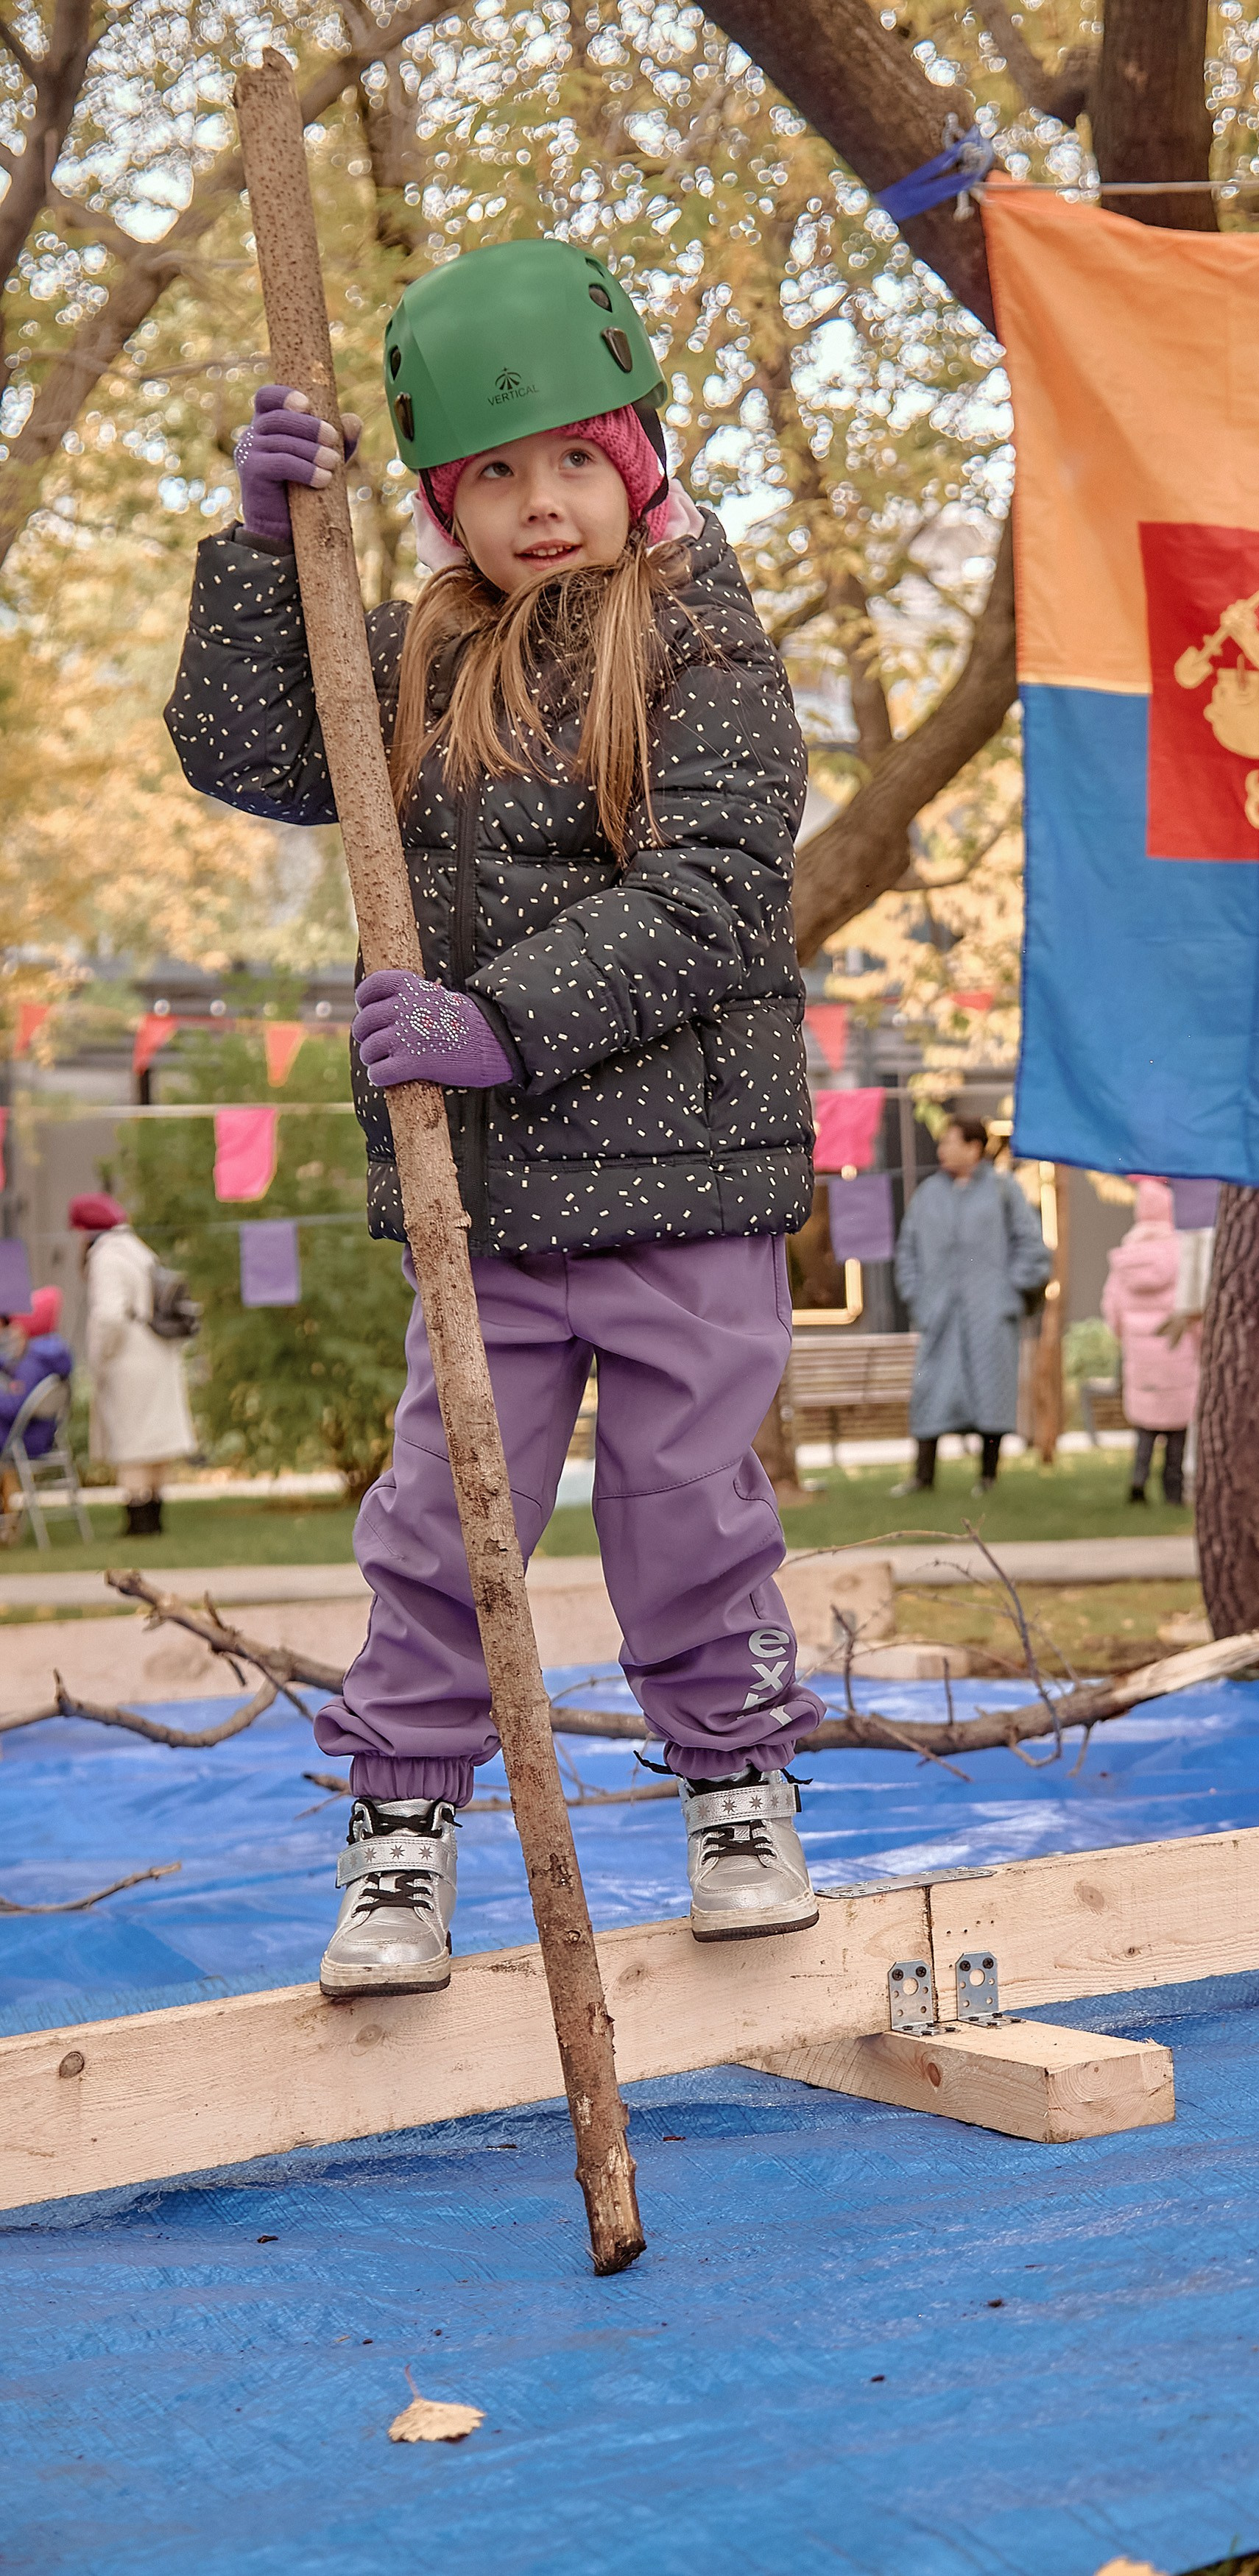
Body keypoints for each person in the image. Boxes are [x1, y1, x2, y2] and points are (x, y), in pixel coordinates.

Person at [166, 238, 823, 1992]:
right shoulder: (411, 659)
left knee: (686, 1503)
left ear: (637, 465)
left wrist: (495, 1022)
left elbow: (715, 895)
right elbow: (246, 748)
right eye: (496, 477)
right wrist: (259, 551)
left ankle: (737, 1794)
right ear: (452, 504)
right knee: (443, 1520)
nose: (542, 506)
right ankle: (402, 1830)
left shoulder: (710, 653)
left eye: (575, 465)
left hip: (682, 1182)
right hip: (498, 1202)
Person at [892, 1118, 1051, 1494]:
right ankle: (923, 1477)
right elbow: (907, 1251)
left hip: (990, 1314)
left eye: (950, 1142)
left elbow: (1031, 1245)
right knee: (931, 1390)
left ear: (974, 1148)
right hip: (940, 1314)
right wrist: (917, 1296)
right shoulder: (928, 1194)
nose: (942, 1150)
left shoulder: (1003, 1190)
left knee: (991, 1391)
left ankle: (988, 1477)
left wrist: (1008, 1291)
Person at [69, 1194, 197, 1538]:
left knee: (132, 1444)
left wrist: (100, 1357)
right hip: (157, 1351)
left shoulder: (106, 1257)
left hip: (129, 1360)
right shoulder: (138, 1249)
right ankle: (154, 1517)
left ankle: (138, 1520)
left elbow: (109, 1316)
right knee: (154, 1442)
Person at [1101, 1178, 1199, 1504]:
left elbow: (1111, 1306)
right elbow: (1190, 1300)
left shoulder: (1128, 1254)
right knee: (1176, 1426)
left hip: (1139, 1351)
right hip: (1177, 1349)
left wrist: (1125, 1335)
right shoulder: (1179, 1250)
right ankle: (1173, 1487)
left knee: (1145, 1424)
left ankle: (1138, 1479)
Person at [0, 1289, 77, 1537]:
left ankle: (6, 1520)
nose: (11, 1331)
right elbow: (16, 1371)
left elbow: (15, 1407)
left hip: (24, 1442)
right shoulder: (49, 1355)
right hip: (42, 1436)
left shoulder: (33, 1361)